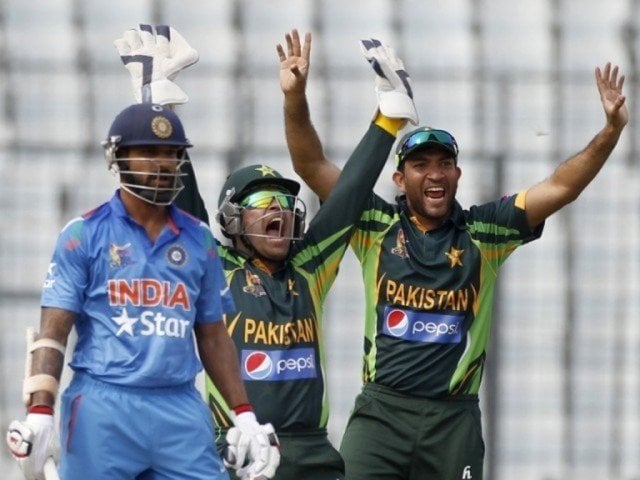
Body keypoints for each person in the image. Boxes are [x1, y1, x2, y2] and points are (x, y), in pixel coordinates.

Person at [284, 41, 629, 480]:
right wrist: (295, 98)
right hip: (381, 413)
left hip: (453, 422)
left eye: (444, 163)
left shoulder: (484, 233)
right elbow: (310, 163)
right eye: (420, 164)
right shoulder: (374, 224)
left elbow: (561, 187)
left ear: (458, 174)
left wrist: (610, 133)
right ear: (399, 177)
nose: (434, 173)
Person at [137, 27, 416, 480]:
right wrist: (159, 111)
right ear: (231, 220)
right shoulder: (216, 268)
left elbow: (346, 200)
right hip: (238, 448)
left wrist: (386, 124)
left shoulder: (309, 266)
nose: (279, 213)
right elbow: (184, 204)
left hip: (312, 453)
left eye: (286, 203)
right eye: (263, 204)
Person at [5, 101, 275, 480]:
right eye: (150, 152)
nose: (163, 164)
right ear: (118, 157)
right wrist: (40, 411)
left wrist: (243, 414)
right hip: (102, 407)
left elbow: (212, 334)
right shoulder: (83, 234)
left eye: (172, 153)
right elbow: (53, 333)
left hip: (179, 407)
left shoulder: (199, 239)